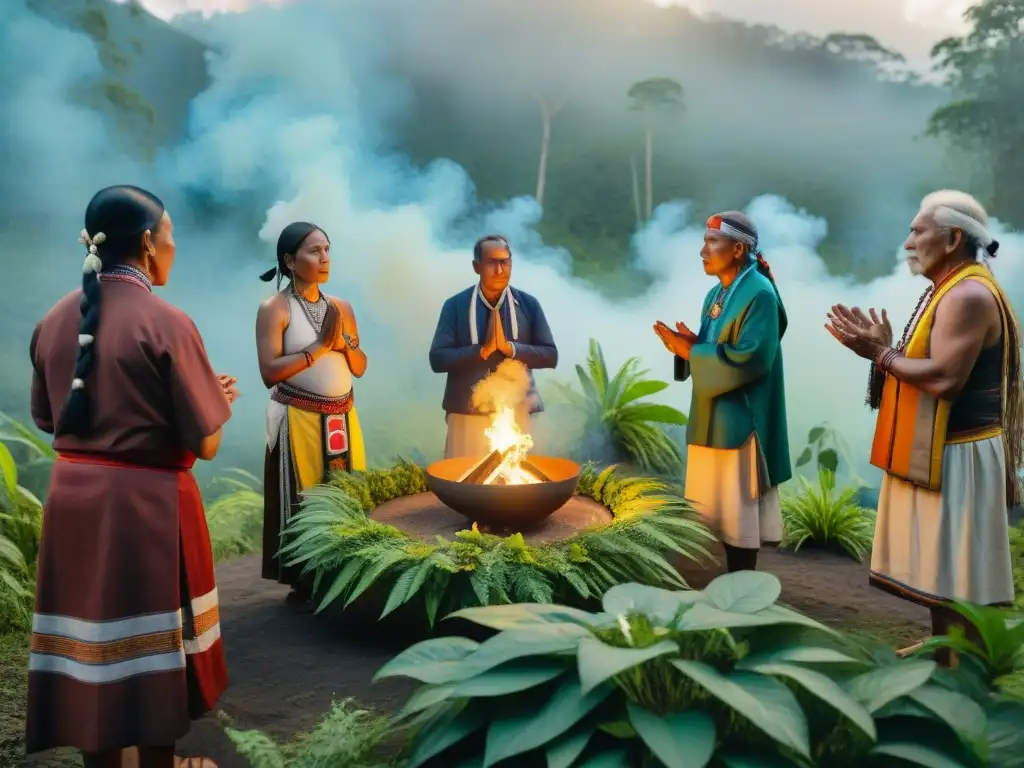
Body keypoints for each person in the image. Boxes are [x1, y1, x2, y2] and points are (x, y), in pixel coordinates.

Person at [25, 186, 236, 768]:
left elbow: (52, 418)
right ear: (147, 242)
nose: (173, 246)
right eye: (169, 235)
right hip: (146, 505)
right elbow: (207, 443)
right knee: (150, 648)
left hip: (74, 501)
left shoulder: (53, 318)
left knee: (95, 647)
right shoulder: (168, 322)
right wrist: (214, 403)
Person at [825, 190, 1020, 658]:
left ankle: (963, 663)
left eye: (918, 231)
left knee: (955, 569)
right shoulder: (952, 288)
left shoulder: (968, 294)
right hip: (945, 449)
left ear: (952, 238)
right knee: (943, 567)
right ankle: (944, 647)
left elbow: (944, 378)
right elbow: (923, 365)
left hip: (961, 452)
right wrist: (886, 350)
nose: (909, 241)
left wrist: (881, 353)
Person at [654, 211, 791, 573]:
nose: (703, 250)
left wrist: (692, 353)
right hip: (711, 416)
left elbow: (752, 360)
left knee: (739, 523)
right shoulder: (716, 292)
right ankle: (722, 589)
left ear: (738, 249)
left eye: (712, 242)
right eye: (704, 241)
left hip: (741, 422)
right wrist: (691, 344)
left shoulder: (759, 293)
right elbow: (716, 347)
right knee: (714, 515)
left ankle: (743, 592)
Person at [256, 221, 367, 609]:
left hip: (342, 416)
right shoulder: (276, 308)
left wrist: (346, 344)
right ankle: (304, 582)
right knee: (303, 498)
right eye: (314, 251)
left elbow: (360, 366)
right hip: (298, 415)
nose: (324, 258)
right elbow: (269, 371)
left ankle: (345, 572)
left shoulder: (342, 307)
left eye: (327, 250)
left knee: (345, 494)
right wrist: (320, 346)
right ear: (289, 260)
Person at [428, 235, 558, 457]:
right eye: (491, 262)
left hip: (517, 410)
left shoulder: (528, 305)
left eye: (504, 262)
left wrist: (512, 349)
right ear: (476, 266)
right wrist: (480, 351)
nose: (499, 270)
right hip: (467, 412)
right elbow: (437, 359)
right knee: (465, 482)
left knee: (516, 482)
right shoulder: (455, 306)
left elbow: (550, 355)